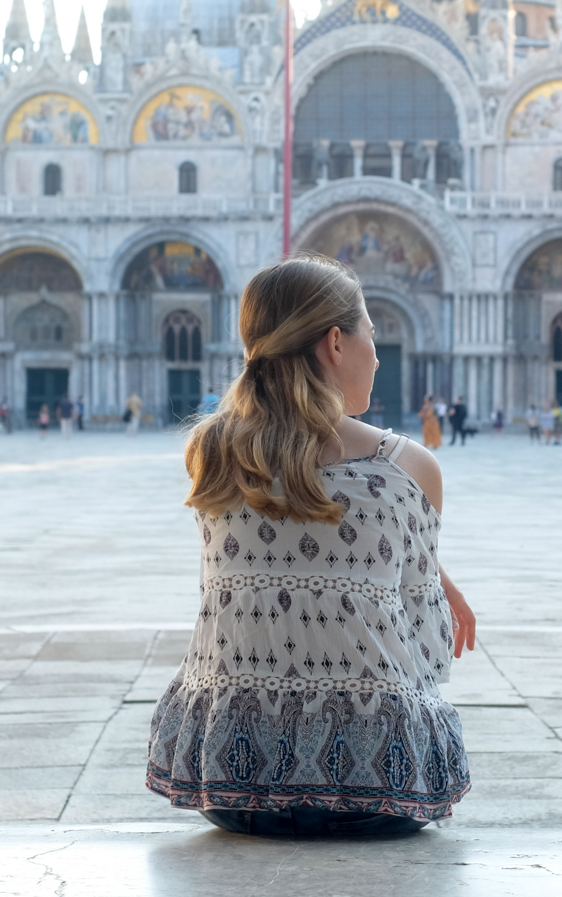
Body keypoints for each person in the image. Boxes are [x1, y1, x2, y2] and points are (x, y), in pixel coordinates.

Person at [145, 254, 473, 836]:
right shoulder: (410, 469)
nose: (376, 352)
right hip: (380, 794)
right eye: (371, 332)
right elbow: (430, 650)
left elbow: (296, 522)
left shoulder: (212, 456)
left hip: (231, 787)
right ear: (336, 343)